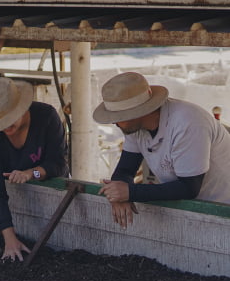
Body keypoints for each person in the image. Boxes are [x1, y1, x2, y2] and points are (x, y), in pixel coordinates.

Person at [93, 72, 230, 229]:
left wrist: (130, 192)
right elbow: (125, 169)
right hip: (193, 210)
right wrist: (118, 196)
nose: (114, 123)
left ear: (138, 113)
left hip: (223, 207)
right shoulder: (134, 127)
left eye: (119, 117)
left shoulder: (187, 123)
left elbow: (189, 187)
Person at [0, 77, 69, 262]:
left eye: (10, 118)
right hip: (15, 208)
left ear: (22, 108)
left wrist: (31, 173)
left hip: (55, 196)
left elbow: (58, 164)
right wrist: (10, 238)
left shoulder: (47, 117)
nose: (5, 126)